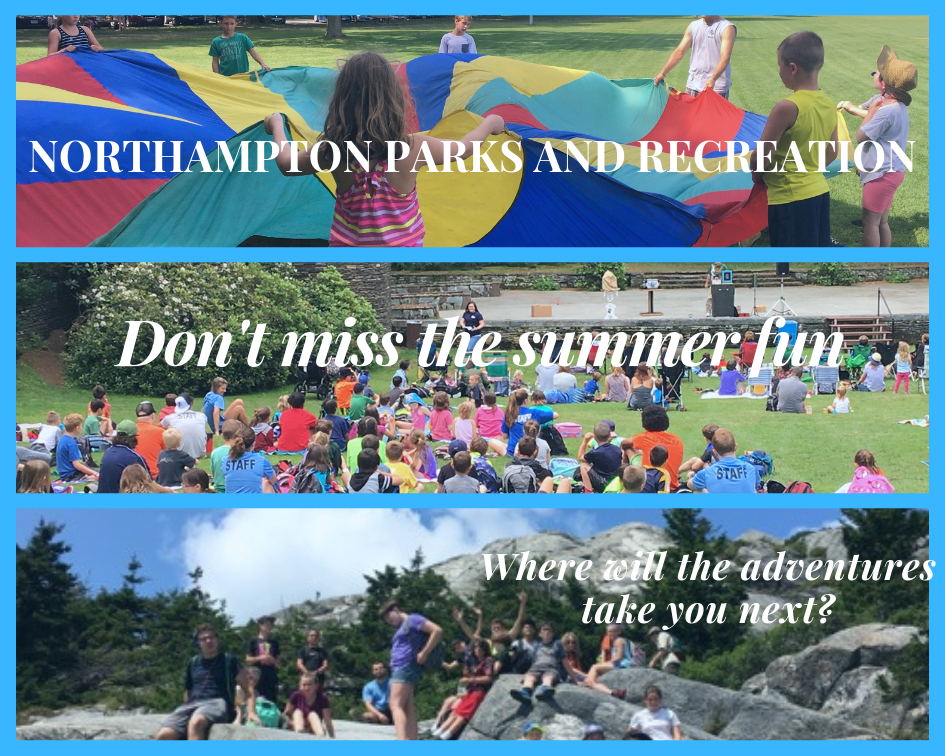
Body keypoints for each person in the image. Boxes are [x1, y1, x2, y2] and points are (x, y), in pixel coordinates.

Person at [267, 52, 504, 247]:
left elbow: (287, 164)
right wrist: (489, 124)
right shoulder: (416, 147)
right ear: (394, 98)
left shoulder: (331, 149)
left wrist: (278, 124)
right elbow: (464, 149)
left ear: (342, 99)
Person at [749, 31, 838, 247]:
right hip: (819, 192)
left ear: (792, 68)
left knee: (788, 262)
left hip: (790, 200)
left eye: (780, 65)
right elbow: (832, 152)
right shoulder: (828, 103)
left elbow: (760, 157)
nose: (779, 71)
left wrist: (757, 176)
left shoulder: (787, 108)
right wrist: (808, 169)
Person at [840, 47, 917, 247]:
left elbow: (861, 137)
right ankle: (884, 258)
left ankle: (869, 261)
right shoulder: (897, 106)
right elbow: (870, 115)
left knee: (870, 223)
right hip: (893, 171)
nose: (874, 74)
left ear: (884, 84)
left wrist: (871, 114)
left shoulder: (883, 112)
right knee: (882, 221)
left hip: (881, 174)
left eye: (877, 73)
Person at [156, 624, 257, 739]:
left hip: (217, 702)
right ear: (198, 643)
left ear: (217, 639)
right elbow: (188, 690)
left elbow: (248, 689)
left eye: (211, 637)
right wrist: (186, 706)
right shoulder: (193, 662)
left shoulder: (229, 660)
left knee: (196, 723)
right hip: (192, 704)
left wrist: (251, 712)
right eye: (203, 639)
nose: (208, 641)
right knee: (163, 735)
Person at [379, 600, 443, 740]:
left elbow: (437, 630)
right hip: (404, 667)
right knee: (408, 706)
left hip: (405, 666)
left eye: (388, 617)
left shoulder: (413, 619)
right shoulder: (404, 625)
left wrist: (425, 652)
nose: (389, 621)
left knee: (395, 704)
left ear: (395, 609)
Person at [655, 16, 736, 98]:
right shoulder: (693, 26)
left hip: (716, 87)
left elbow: (725, 57)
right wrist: (663, 73)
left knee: (713, 111)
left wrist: (713, 79)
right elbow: (680, 51)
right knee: (690, 111)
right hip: (693, 85)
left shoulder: (726, 28)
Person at [435, 638, 493, 740]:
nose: (477, 649)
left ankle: (444, 736)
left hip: (479, 692)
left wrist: (470, 679)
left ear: (485, 649)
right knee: (455, 712)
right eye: (475, 647)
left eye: (480, 647)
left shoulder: (488, 660)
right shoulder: (473, 661)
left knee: (462, 715)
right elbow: (465, 675)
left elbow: (488, 678)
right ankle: (437, 732)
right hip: (470, 691)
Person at [626, 405, 685, 490]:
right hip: (673, 486)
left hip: (650, 486)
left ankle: (625, 476)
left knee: (628, 448)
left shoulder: (644, 437)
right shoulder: (677, 440)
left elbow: (624, 443)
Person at [487, 390, 557, 457]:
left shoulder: (509, 414)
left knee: (492, 441)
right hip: (532, 450)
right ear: (525, 401)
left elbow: (504, 436)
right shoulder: (534, 412)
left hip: (513, 451)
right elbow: (555, 415)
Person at [688, 428, 760, 493]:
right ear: (736, 447)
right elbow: (756, 486)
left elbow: (690, 485)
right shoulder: (751, 468)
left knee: (697, 490)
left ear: (715, 452)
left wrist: (691, 476)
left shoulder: (708, 472)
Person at [510, 623, 565, 703]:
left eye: (549, 630)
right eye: (544, 630)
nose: (547, 632)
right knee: (530, 677)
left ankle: (545, 690)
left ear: (552, 634)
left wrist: (575, 679)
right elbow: (533, 660)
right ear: (540, 634)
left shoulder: (557, 644)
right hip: (536, 668)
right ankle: (525, 693)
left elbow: (564, 660)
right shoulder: (537, 645)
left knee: (548, 677)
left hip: (551, 668)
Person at [97, 421, 150, 494]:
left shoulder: (108, 452)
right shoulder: (134, 457)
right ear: (134, 437)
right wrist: (167, 490)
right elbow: (150, 484)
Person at [581, 624, 633, 698]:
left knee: (594, 667)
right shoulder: (615, 642)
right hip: (620, 664)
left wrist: (606, 663)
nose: (611, 634)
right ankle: (611, 692)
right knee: (592, 680)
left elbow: (619, 657)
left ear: (619, 632)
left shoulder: (619, 641)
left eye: (614, 631)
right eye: (609, 632)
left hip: (623, 664)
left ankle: (587, 682)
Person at [223, 425, 278, 494]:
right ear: (253, 444)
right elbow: (274, 480)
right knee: (267, 482)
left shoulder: (225, 460)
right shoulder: (261, 460)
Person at [162, 394, 209, 461]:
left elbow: (162, 425)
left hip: (179, 453)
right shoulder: (202, 416)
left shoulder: (170, 417)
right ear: (191, 404)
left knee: (169, 429)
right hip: (201, 452)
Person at [285, 673, 334, 737]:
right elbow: (286, 714)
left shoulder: (322, 698)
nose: (306, 687)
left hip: (313, 726)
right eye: (304, 685)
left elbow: (328, 722)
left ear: (316, 686)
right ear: (300, 686)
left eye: (309, 685)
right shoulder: (296, 696)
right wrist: (292, 723)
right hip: (297, 724)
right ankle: (299, 733)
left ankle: (320, 735)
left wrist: (332, 738)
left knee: (312, 714)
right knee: (298, 712)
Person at [578, 422, 622, 493]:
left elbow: (580, 457)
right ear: (610, 435)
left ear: (594, 437)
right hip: (617, 482)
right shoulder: (617, 449)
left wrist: (585, 441)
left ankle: (588, 491)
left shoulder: (595, 453)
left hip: (604, 484)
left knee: (584, 465)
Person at [246, 616, 281, 705]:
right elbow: (248, 660)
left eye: (271, 625)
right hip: (257, 678)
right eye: (267, 625)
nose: (269, 627)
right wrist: (260, 658)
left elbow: (278, 663)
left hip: (271, 677)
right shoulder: (253, 641)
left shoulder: (274, 642)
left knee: (272, 702)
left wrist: (272, 660)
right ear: (261, 626)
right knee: (256, 701)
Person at [55, 413, 98, 484]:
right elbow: (77, 465)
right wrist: (95, 473)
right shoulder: (71, 443)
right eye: (81, 425)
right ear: (77, 427)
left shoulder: (63, 439)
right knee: (100, 475)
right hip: (71, 475)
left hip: (64, 474)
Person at [134, 402, 166, 478]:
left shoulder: (131, 431)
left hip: (133, 474)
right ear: (152, 416)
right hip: (154, 475)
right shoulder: (160, 432)